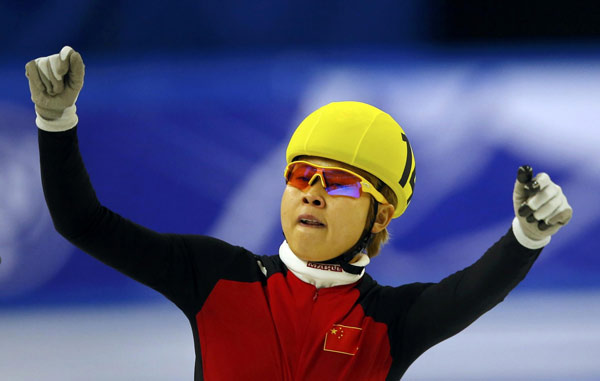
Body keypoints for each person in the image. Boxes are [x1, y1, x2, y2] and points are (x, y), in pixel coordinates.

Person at [26, 46, 573, 381]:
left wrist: (525, 236)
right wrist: (56, 121)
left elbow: (474, 289)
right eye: (299, 175)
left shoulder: (392, 322)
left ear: (381, 217)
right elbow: (82, 222)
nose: (311, 193)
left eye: (337, 182)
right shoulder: (213, 276)